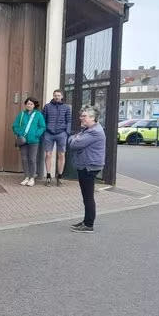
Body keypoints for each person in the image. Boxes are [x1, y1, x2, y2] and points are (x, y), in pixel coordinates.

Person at [68, 105, 106, 233]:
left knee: (88, 197)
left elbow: (74, 144)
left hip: (89, 166)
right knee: (86, 196)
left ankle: (89, 225)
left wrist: (75, 138)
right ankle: (86, 221)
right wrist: (75, 138)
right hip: (86, 165)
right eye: (81, 116)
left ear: (92, 117)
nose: (81, 118)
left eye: (84, 116)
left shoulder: (94, 131)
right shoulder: (88, 130)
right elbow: (72, 139)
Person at [11, 97, 47, 187]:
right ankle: (26, 176)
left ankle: (32, 178)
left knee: (32, 159)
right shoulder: (21, 114)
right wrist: (20, 133)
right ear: (25, 105)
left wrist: (36, 134)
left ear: (34, 105)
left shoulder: (38, 115)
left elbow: (42, 126)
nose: (29, 105)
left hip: (34, 140)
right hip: (23, 140)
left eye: (31, 104)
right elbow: (14, 126)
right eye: (28, 104)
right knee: (24, 159)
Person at [42, 89, 72, 187]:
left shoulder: (66, 107)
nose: (56, 97)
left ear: (62, 97)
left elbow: (69, 121)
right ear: (53, 96)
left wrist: (66, 132)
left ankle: (59, 177)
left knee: (61, 155)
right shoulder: (47, 107)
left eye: (58, 95)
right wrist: (45, 130)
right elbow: (43, 120)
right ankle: (48, 176)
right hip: (49, 133)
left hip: (61, 133)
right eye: (55, 95)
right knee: (48, 155)